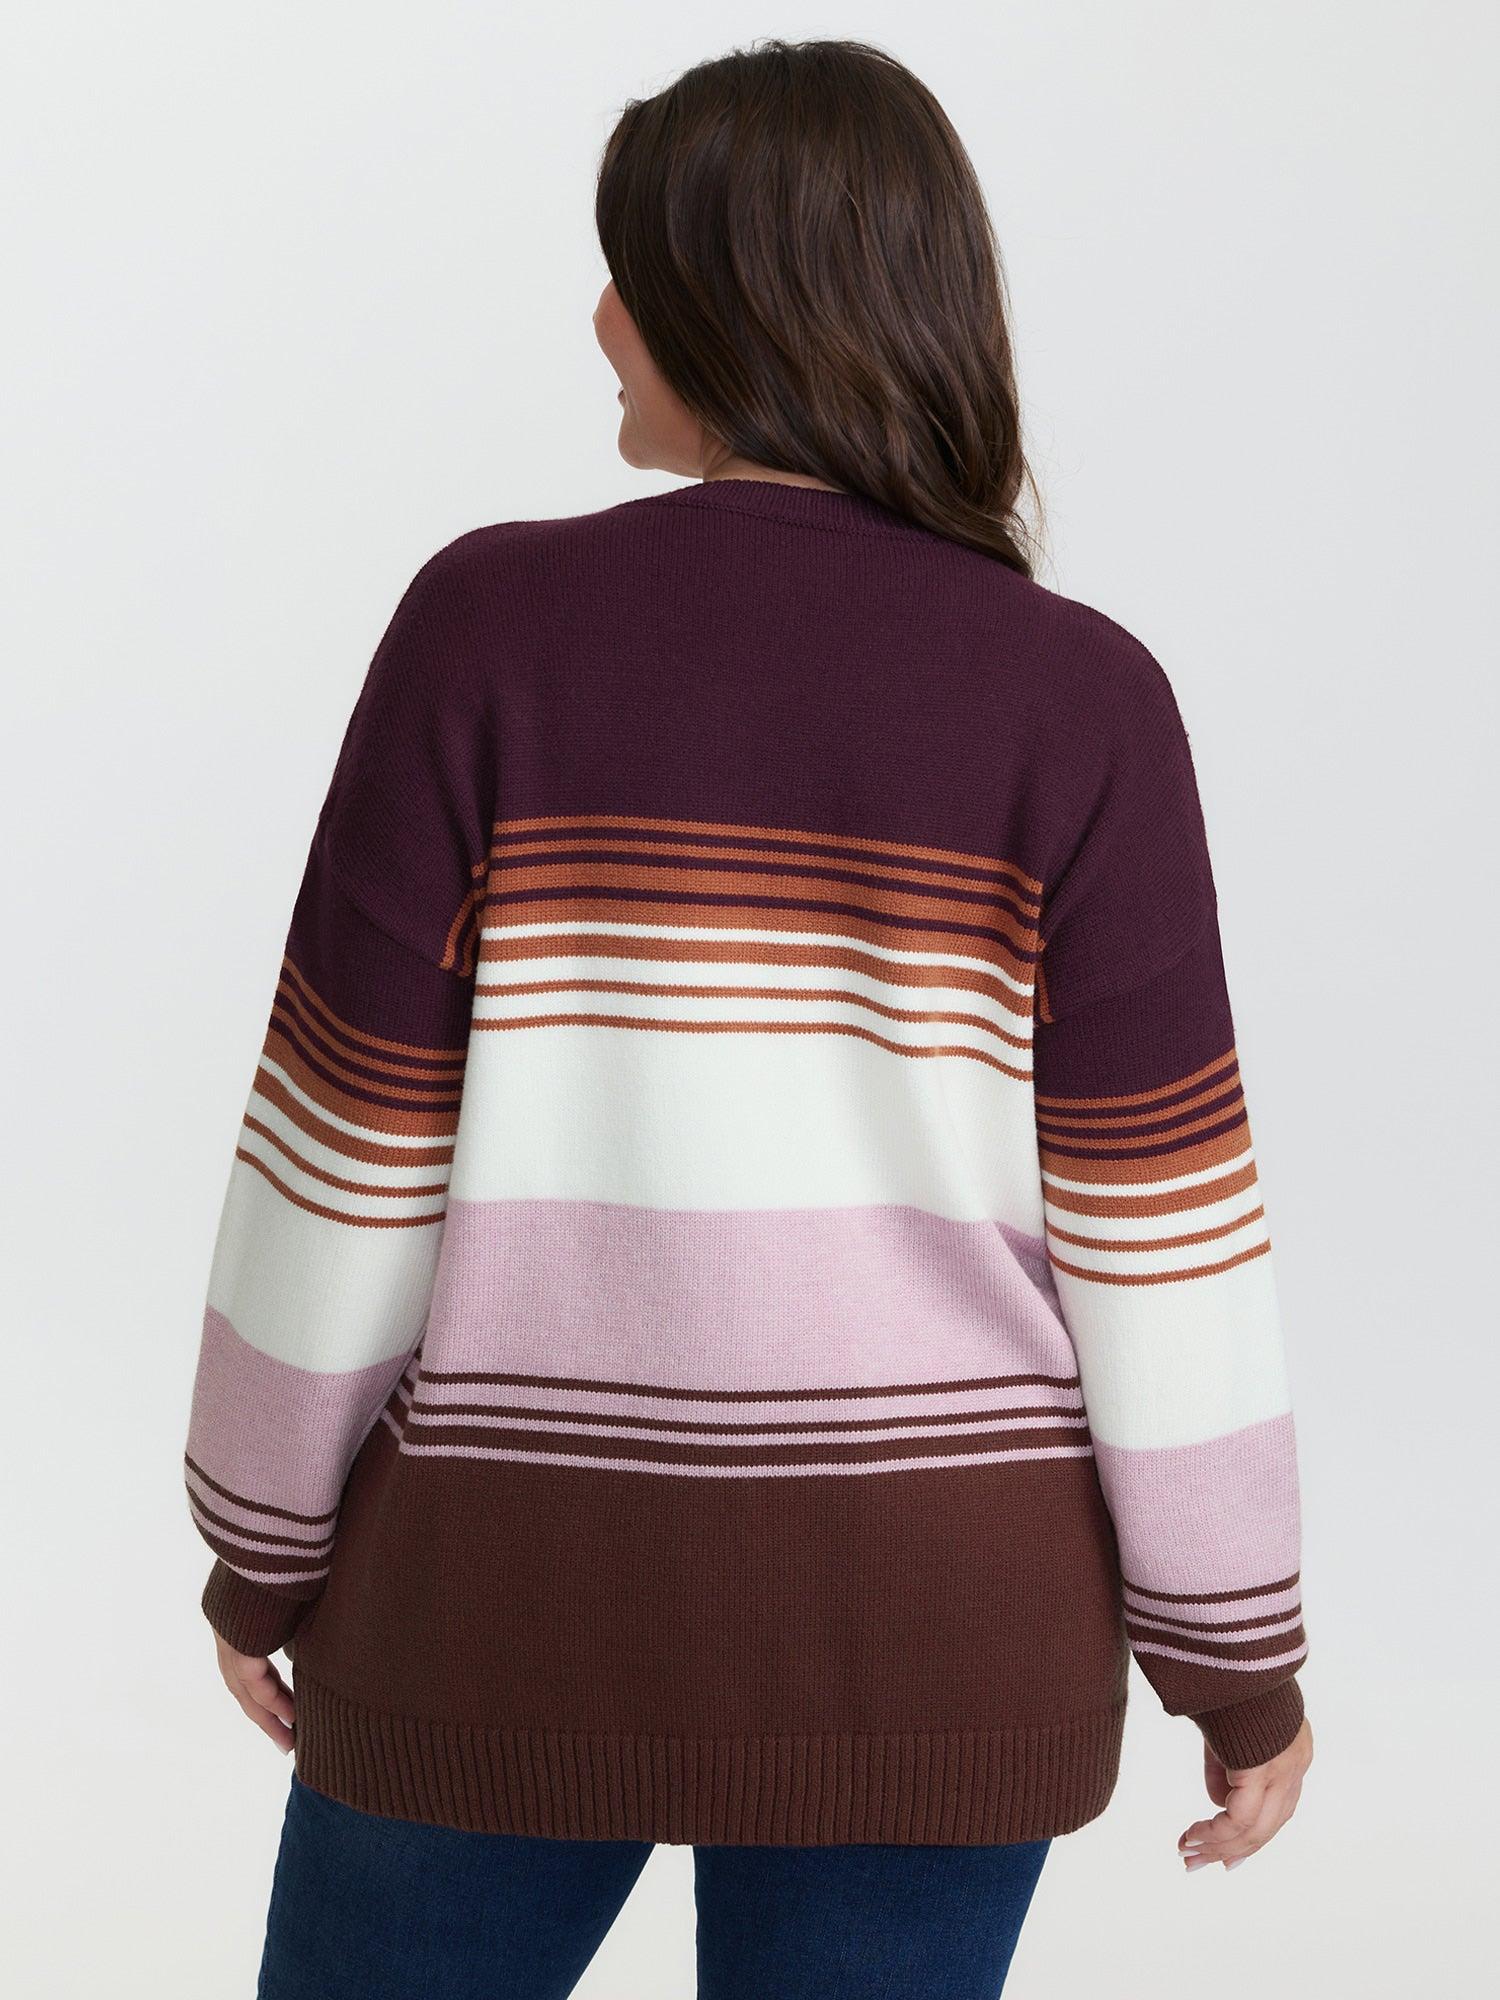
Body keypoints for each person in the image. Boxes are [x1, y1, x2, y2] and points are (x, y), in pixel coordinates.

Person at [185, 38, 1312, 2000]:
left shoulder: (486, 632)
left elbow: (344, 1146)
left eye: (629, 271)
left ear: (731, 303)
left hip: (500, 1607)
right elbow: (1163, 1232)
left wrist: (261, 1538)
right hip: (938, 1639)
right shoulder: (1082, 698)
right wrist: (1237, 1659)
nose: (597, 319)